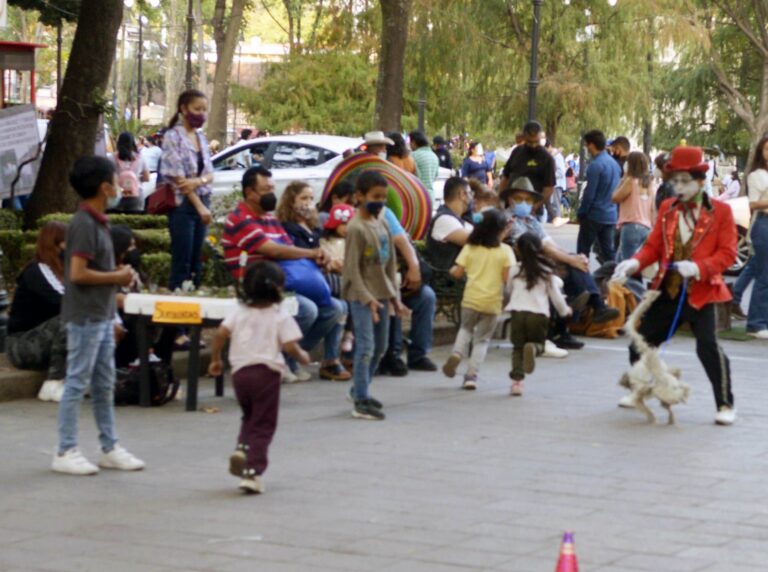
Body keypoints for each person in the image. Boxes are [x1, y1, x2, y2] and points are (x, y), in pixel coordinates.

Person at [612, 145, 737, 425]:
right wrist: (633, 263)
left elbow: (728, 254)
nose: (678, 187)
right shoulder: (668, 208)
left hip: (701, 292)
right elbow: (654, 246)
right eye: (675, 181)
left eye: (684, 181)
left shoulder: (721, 212)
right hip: (667, 289)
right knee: (640, 342)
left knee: (707, 347)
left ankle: (726, 404)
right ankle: (639, 389)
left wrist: (699, 267)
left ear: (700, 181)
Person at [53, 156, 144, 475]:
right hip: (86, 315)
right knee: (77, 381)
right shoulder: (83, 224)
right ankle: (65, 449)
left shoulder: (99, 221)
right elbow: (77, 274)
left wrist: (116, 273)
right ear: (105, 187)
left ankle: (109, 446)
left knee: (104, 383)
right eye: (116, 181)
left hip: (101, 314)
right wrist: (116, 278)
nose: (121, 186)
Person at [221, 166, 345, 383]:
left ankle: (286, 356)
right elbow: (273, 250)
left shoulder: (270, 220)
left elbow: (290, 252)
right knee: (307, 309)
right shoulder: (239, 218)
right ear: (250, 192)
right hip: (257, 288)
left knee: (335, 308)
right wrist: (311, 252)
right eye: (265, 189)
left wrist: (321, 260)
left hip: (280, 282)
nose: (271, 193)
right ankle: (280, 359)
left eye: (272, 188)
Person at [208, 261, 308, 494]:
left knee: (249, 416)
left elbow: (221, 334)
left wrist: (215, 359)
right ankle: (253, 472)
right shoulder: (279, 315)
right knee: (264, 423)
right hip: (267, 374)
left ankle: (243, 447)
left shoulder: (238, 312)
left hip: (240, 374)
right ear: (277, 289)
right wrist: (302, 356)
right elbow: (290, 345)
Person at [502, 177, 620, 349]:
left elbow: (550, 243)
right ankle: (591, 307)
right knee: (570, 268)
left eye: (528, 199)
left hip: (543, 260)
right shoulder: (509, 220)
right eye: (519, 199)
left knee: (575, 262)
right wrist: (570, 259)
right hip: (527, 263)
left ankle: (586, 310)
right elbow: (536, 246)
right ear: (510, 199)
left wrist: (575, 258)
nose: (524, 203)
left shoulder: (532, 220)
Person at [342, 170, 406, 420]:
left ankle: (360, 388)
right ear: (359, 196)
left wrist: (394, 297)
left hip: (381, 293)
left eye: (383, 196)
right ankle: (360, 400)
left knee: (381, 347)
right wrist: (366, 297)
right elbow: (351, 269)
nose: (379, 201)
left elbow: (389, 263)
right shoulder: (356, 228)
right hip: (361, 297)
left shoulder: (382, 223)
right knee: (366, 346)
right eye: (375, 196)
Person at [277, 181, 351, 381]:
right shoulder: (287, 228)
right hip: (296, 284)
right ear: (291, 201)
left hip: (318, 283)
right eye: (303, 198)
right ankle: (285, 356)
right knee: (310, 310)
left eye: (311, 198)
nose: (308, 203)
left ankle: (300, 355)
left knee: (338, 308)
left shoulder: (314, 228)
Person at [442, 209, 516, 390]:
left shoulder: (470, 248)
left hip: (471, 299)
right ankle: (471, 376)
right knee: (482, 340)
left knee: (465, 329)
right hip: (492, 302)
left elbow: (458, 273)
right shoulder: (506, 251)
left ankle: (457, 353)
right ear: (500, 231)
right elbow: (508, 279)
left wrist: (451, 270)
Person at [7, 222, 68, 402]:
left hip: (47, 340)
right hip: (22, 345)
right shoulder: (37, 271)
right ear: (54, 244)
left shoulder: (64, 271)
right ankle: (54, 382)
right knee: (72, 318)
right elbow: (64, 302)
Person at [161, 89, 214, 294]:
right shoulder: (172, 137)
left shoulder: (201, 138)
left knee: (197, 260)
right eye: (196, 109)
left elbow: (210, 174)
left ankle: (194, 312)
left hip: (204, 198)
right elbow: (178, 178)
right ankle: (176, 319)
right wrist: (199, 206)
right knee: (182, 260)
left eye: (204, 110)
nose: (201, 113)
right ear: (183, 109)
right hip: (182, 206)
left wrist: (197, 181)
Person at [505, 232, 572, 396]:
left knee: (517, 348)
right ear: (540, 250)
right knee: (540, 344)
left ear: (518, 250)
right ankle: (534, 348)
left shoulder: (514, 270)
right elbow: (555, 295)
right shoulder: (546, 271)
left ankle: (517, 383)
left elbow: (509, 290)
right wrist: (565, 311)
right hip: (539, 314)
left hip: (517, 313)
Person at [577, 129, 621, 263]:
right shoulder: (614, 164)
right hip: (610, 215)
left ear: (591, 145)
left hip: (594, 215)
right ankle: (612, 278)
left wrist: (582, 212)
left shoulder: (595, 165)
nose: (586, 148)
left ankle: (582, 280)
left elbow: (589, 194)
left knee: (583, 251)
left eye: (586, 145)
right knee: (608, 252)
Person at [499, 121, 555, 216]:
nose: (533, 145)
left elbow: (549, 188)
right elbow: (505, 178)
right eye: (530, 142)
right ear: (524, 138)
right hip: (511, 208)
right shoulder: (517, 152)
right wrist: (500, 200)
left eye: (536, 142)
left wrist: (536, 206)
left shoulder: (546, 158)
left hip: (532, 210)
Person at [321, 203, 356, 353]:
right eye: (343, 224)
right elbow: (330, 262)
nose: (346, 228)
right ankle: (346, 334)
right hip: (333, 281)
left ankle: (349, 332)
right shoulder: (325, 241)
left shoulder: (353, 242)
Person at [613, 151, 656, 261]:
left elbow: (615, 198)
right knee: (621, 261)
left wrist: (623, 178)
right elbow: (653, 208)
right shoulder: (650, 183)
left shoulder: (630, 182)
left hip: (631, 226)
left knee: (627, 266)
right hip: (646, 227)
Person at [424, 176, 474, 271]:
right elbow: (476, 241)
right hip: (447, 282)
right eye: (470, 193)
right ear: (462, 195)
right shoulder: (444, 219)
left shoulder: (460, 218)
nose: (472, 198)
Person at [745, 136, 768, 338]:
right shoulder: (757, 175)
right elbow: (752, 204)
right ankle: (756, 323)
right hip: (763, 224)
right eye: (767, 150)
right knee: (764, 275)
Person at [111, 132, 149, 213]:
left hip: (118, 195)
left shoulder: (112, 158)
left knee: (117, 222)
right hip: (137, 194)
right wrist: (136, 178)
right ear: (133, 143)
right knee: (135, 221)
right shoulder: (140, 158)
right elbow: (147, 178)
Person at [410, 130, 440, 199]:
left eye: (410, 142)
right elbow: (435, 176)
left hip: (418, 196)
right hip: (431, 197)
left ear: (413, 142)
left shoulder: (413, 155)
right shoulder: (434, 156)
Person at [545, 139, 568, 226]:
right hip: (552, 183)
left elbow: (561, 172)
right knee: (551, 203)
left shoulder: (557, 156)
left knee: (555, 204)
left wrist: (549, 176)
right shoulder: (551, 155)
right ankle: (553, 220)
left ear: (549, 147)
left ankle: (557, 220)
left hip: (556, 184)